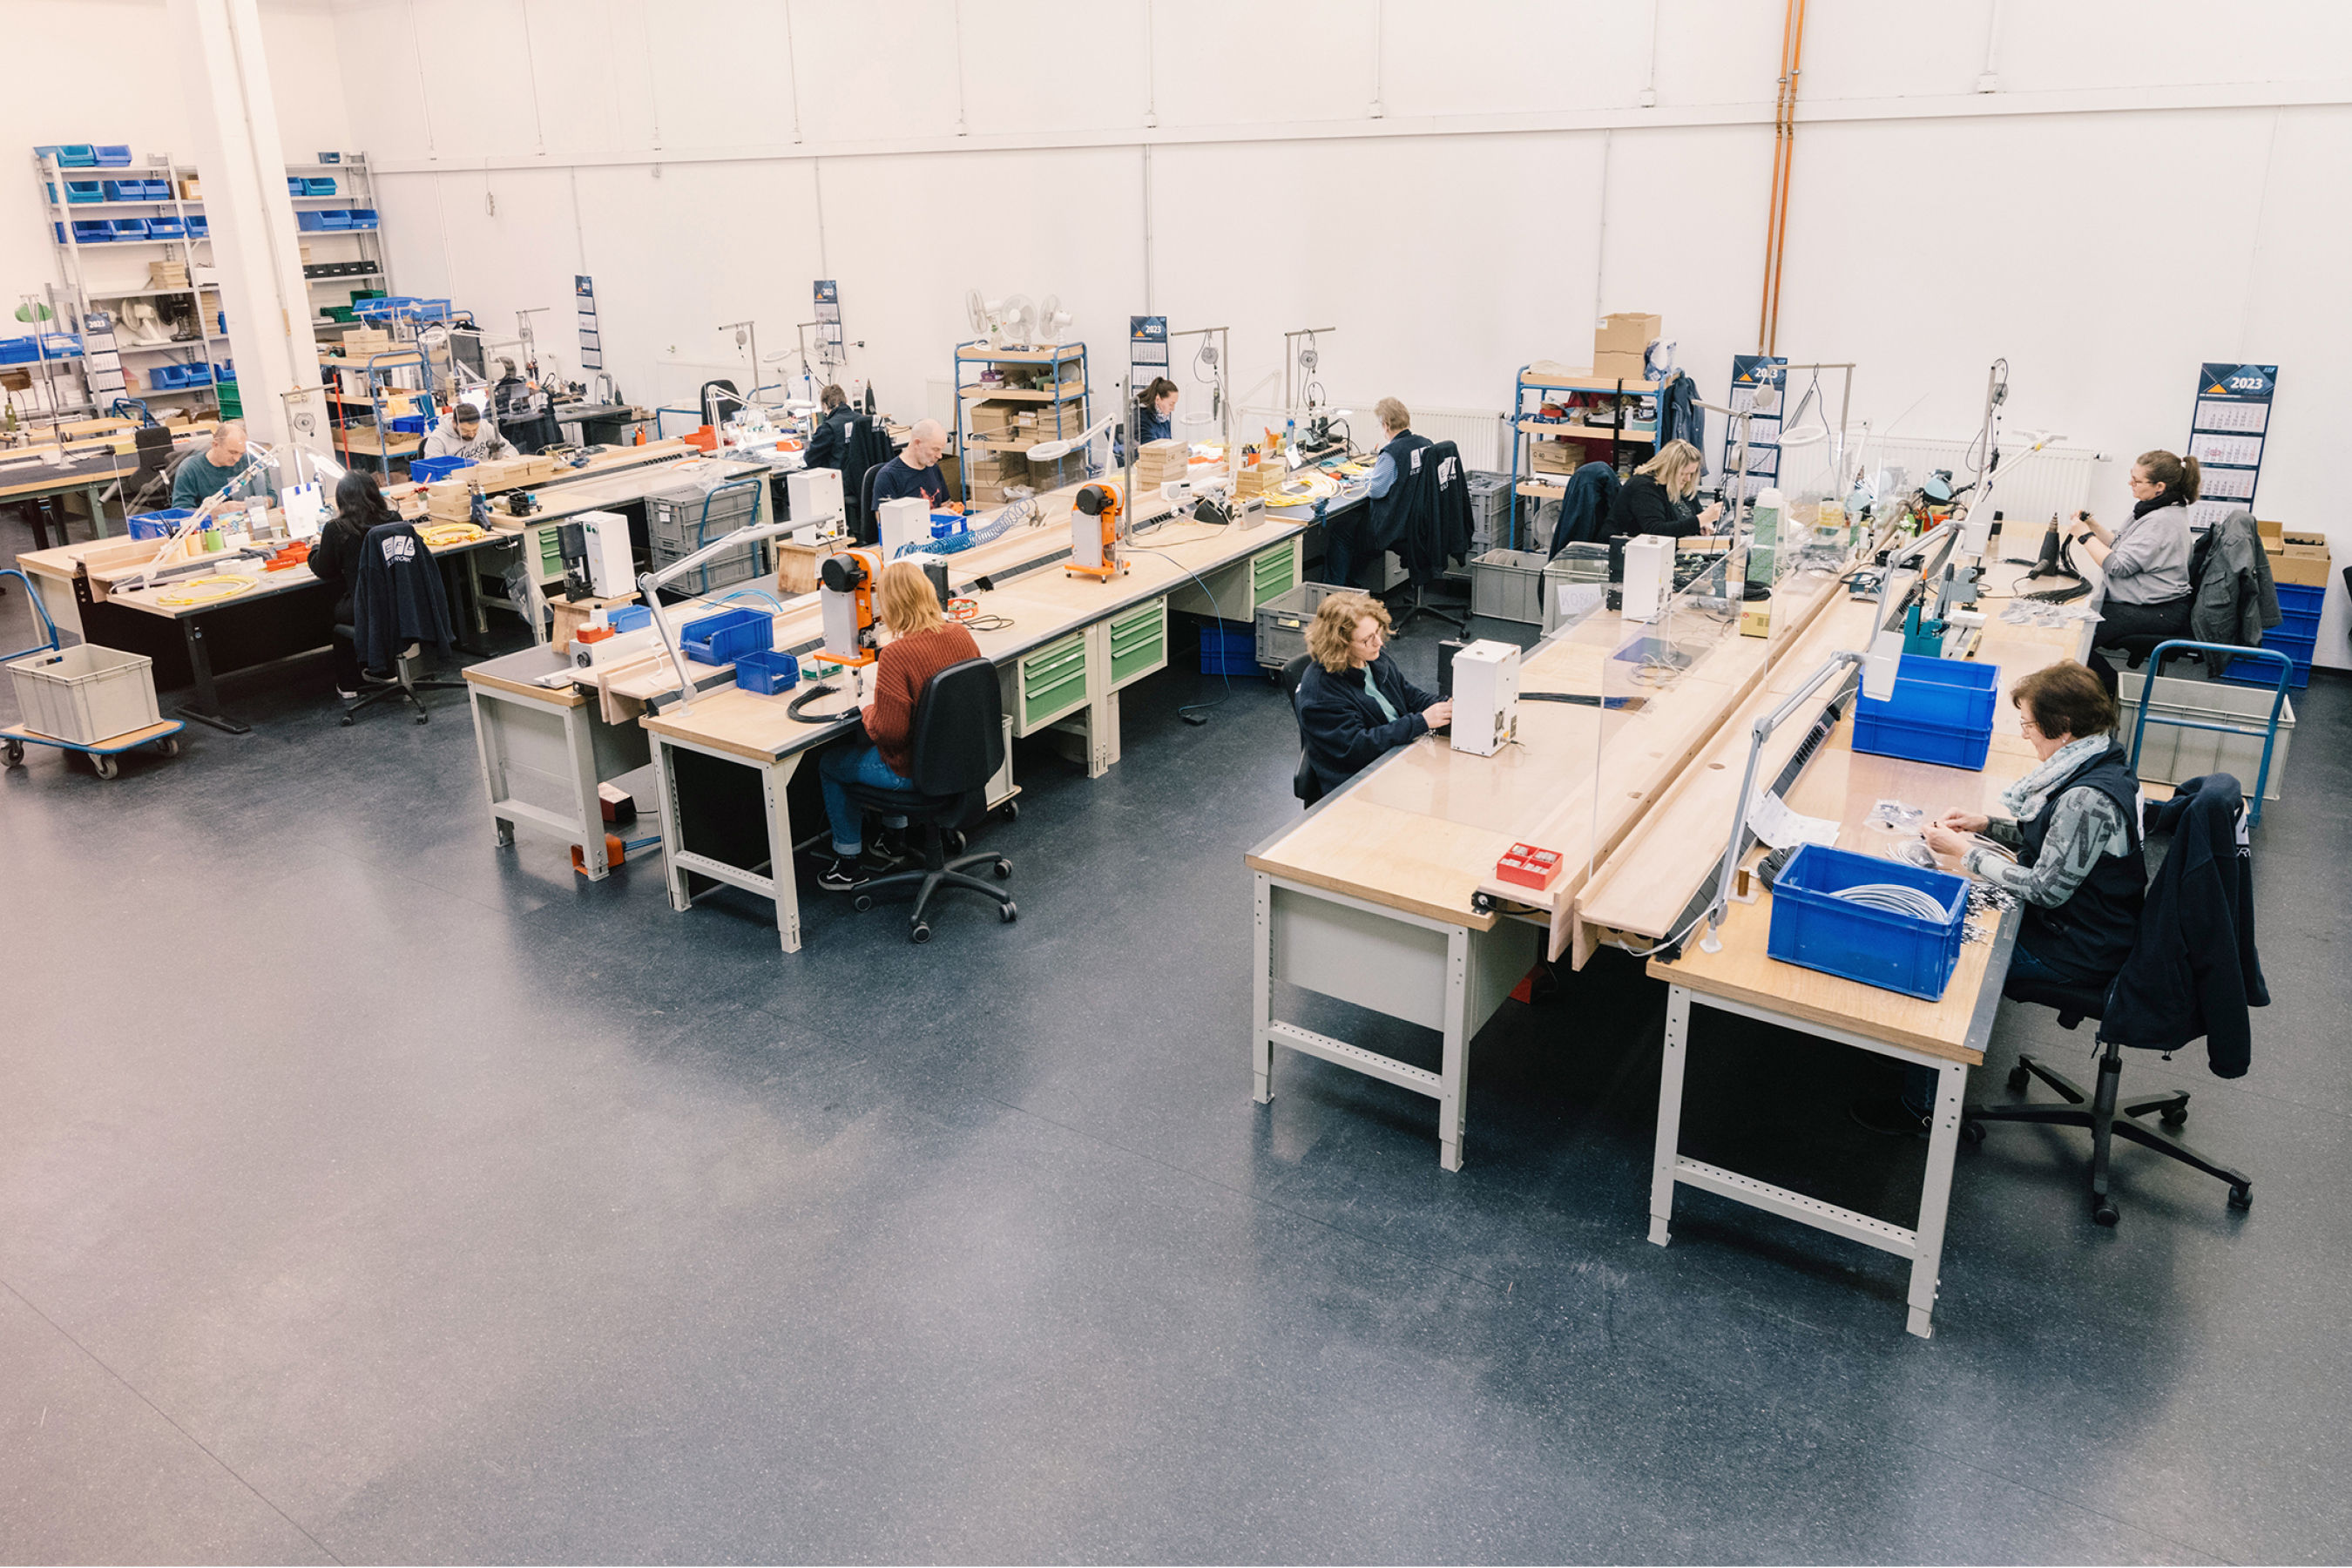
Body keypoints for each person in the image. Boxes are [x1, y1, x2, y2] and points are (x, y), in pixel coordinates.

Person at [1852, 660, 2147, 1136]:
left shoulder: (2085, 798)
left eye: (2030, 725)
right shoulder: (2101, 759)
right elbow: (2059, 841)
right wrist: (1987, 826)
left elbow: (2045, 889)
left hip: (2077, 947)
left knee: (1945, 956)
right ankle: (1912, 1055)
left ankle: (1923, 1109)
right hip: (2086, 926)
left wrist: (1965, 853)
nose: (2026, 735)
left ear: (2063, 728)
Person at [815, 561, 985, 892]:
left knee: (831, 764)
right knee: (879, 748)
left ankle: (848, 864)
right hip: (962, 764)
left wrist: (867, 709)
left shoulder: (897, 654)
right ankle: (893, 840)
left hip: (914, 775)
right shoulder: (960, 634)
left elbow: (890, 734)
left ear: (888, 606)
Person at [1294, 593, 1452, 794]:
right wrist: (1420, 722)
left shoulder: (1372, 658)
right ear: (1340, 644)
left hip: (1397, 753)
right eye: (1367, 639)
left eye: (1377, 632)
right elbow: (1357, 747)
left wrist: (1446, 705)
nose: (1379, 642)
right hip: (1361, 780)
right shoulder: (1321, 693)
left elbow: (1408, 695)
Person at [2070, 449, 2198, 694]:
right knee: (2076, 625)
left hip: (2158, 611)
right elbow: (2119, 547)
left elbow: (2118, 566)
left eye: (2137, 481)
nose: (2131, 483)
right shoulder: (2152, 509)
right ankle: (2100, 689)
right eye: (2132, 477)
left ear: (2159, 486)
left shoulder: (2162, 521)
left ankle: (2107, 690)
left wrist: (2084, 536)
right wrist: (2093, 526)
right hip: (2145, 602)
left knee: (2076, 638)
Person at [308, 470, 402, 699]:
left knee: (338, 612)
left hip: (364, 607)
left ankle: (349, 683)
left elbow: (324, 570)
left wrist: (314, 549)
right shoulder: (394, 521)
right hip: (400, 602)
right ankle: (386, 670)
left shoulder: (336, 528)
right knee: (373, 606)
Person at [1328, 396, 1430, 587]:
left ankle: (1334, 592)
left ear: (1385, 424)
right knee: (1357, 523)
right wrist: (1368, 476)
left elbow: (1377, 491)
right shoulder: (1425, 444)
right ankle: (1353, 582)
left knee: (1341, 532)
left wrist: (1359, 482)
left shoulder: (1391, 452)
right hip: (1419, 523)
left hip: (1393, 527)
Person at [1605, 438, 1723, 540]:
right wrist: (1701, 520)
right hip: (1628, 554)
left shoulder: (1683, 485)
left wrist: (1703, 525)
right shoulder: (1643, 487)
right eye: (1683, 473)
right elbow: (1656, 531)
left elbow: (1694, 517)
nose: (1688, 478)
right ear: (1668, 469)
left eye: (1692, 473)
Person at [170, 420, 274, 510]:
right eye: (232, 452)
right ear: (215, 445)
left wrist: (265, 502)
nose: (237, 459)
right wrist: (214, 512)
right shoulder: (190, 468)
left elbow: (271, 495)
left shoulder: (250, 462)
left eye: (241, 453)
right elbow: (180, 511)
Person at [869, 419, 950, 509]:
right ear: (917, 443)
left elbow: (944, 505)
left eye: (941, 450)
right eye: (935, 449)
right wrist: (933, 515)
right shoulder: (888, 476)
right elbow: (884, 520)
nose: (940, 456)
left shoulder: (933, 467)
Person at [420, 402, 520, 463]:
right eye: (466, 431)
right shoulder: (438, 439)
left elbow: (511, 450)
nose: (472, 434)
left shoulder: (485, 427)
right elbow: (433, 472)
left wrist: (503, 459)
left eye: (475, 430)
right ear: (454, 423)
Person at [803, 383, 856, 470]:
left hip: (839, 478)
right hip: (865, 478)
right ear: (846, 400)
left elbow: (810, 459)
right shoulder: (862, 419)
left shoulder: (828, 427)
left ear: (824, 404)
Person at [1135, 377, 1178, 445]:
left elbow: (1169, 445)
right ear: (1158, 400)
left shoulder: (1164, 421)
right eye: (1171, 404)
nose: (1173, 409)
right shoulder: (1140, 419)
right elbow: (1152, 449)